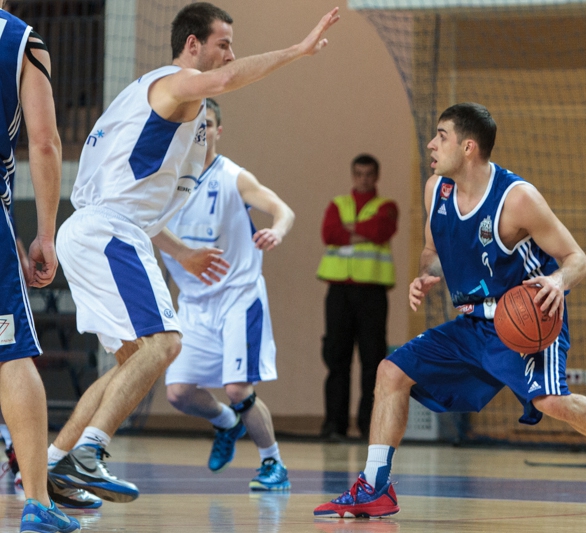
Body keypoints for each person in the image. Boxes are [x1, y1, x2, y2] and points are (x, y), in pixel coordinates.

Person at [314, 103, 586, 518]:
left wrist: (557, 282)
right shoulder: (436, 190)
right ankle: (375, 486)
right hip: (473, 322)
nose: (431, 144)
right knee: (390, 372)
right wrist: (426, 275)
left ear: (468, 147)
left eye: (441, 136)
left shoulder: (517, 198)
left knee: (552, 402)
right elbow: (431, 250)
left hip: (527, 318)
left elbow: (578, 259)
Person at [46, 2, 339, 507]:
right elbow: (222, 82)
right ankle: (89, 453)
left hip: (98, 230)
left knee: (132, 360)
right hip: (110, 231)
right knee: (165, 345)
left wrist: (182, 252)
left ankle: (55, 465)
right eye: (223, 44)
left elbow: (144, 203)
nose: (231, 55)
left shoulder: (169, 106)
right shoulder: (175, 83)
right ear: (192, 45)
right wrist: (298, 50)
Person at [163, 98, 294, 491]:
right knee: (178, 393)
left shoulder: (233, 176)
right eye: (194, 123)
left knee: (237, 388)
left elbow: (282, 209)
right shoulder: (166, 182)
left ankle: (274, 464)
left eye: (207, 123)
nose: (200, 130)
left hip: (237, 296)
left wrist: (277, 231)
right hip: (194, 302)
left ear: (218, 130)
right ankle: (226, 422)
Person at [0, 6, 81, 532]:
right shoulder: (20, 40)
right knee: (10, 355)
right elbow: (45, 141)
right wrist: (46, 232)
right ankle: (37, 504)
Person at [317, 154, 398, 440]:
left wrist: (348, 230)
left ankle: (369, 427)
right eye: (359, 174)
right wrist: (361, 232)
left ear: (376, 177)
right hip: (339, 292)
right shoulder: (338, 204)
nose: (363, 179)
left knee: (372, 361)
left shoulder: (387, 206)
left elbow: (380, 230)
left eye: (369, 174)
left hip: (372, 292)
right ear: (353, 175)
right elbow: (329, 233)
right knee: (336, 359)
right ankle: (334, 425)